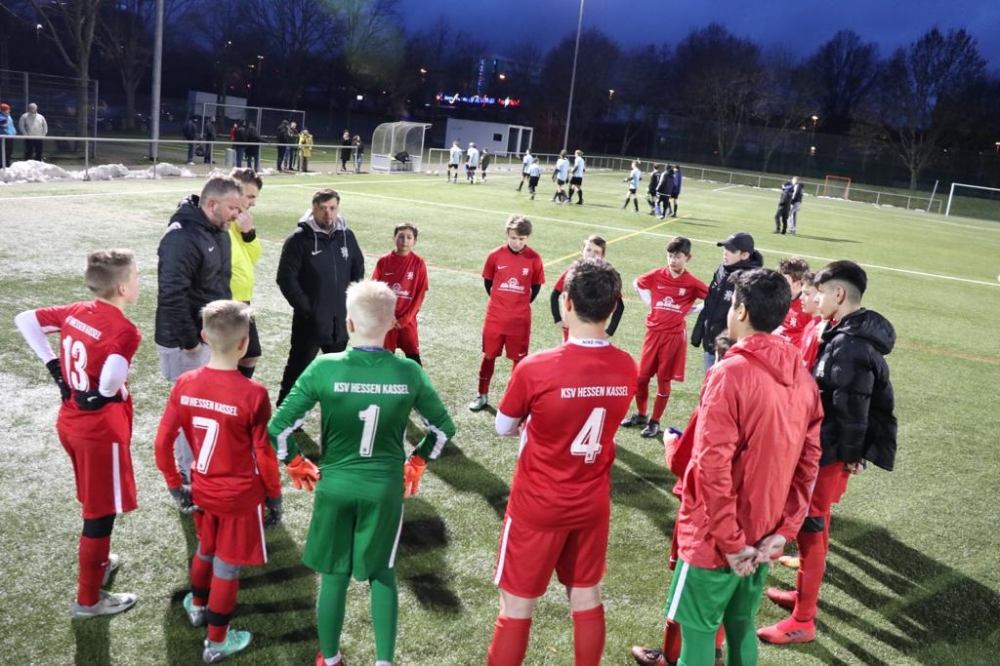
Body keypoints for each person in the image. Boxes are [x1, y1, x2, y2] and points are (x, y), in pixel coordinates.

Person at [268, 279, 456, 666]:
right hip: (384, 490)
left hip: (334, 487)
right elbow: (442, 429)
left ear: (349, 323)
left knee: (333, 576)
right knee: (383, 573)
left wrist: (295, 461)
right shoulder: (408, 371)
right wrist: (417, 462)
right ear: (391, 325)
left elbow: (278, 428)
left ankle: (330, 659)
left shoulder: (324, 367)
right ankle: (384, 661)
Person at [657, 268, 823, 666]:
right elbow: (808, 466)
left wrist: (732, 544)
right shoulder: (804, 380)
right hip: (764, 534)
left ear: (742, 311)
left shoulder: (728, 373)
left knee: (698, 633)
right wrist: (782, 532)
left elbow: (711, 466)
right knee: (741, 625)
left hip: (716, 538)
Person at [486, 258, 638, 666]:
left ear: (566, 301)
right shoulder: (627, 366)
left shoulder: (538, 367)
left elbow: (503, 425)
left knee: (517, 606)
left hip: (538, 503)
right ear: (613, 307)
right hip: (591, 503)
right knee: (586, 595)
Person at [758, 260, 897, 646]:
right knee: (816, 525)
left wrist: (851, 455)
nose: (814, 299)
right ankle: (803, 596)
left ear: (838, 294)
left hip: (829, 450)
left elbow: (853, 407)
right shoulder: (841, 332)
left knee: (810, 528)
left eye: (819, 292)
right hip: (827, 446)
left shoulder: (849, 345)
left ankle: (804, 619)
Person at [14, 249, 141, 619]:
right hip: (98, 431)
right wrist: (104, 393)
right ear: (122, 288)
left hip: (70, 422)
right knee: (100, 513)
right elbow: (112, 377)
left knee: (93, 501)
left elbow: (25, 319)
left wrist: (55, 368)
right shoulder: (125, 330)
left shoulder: (75, 311)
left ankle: (99, 562)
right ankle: (88, 600)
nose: (138, 282)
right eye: (135, 276)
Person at [154, 300, 282, 663]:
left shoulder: (185, 383)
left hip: (201, 488)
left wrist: (174, 484)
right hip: (239, 497)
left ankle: (197, 606)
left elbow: (163, 442)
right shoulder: (253, 393)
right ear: (244, 344)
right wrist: (274, 496)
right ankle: (216, 642)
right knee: (227, 566)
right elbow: (264, 453)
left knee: (205, 549)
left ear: (203, 337)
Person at [630, 333, 734, 666]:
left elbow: (682, 462)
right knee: (730, 598)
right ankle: (716, 651)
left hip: (705, 512)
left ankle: (670, 656)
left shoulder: (715, 402)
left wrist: (670, 442)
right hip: (752, 516)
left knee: (685, 589)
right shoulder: (780, 393)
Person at [155, 175, 244, 487]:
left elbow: (220, 283)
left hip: (210, 337)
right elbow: (171, 294)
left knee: (205, 407)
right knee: (189, 412)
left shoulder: (218, 229)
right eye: (233, 208)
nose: (237, 214)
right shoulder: (181, 237)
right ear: (212, 203)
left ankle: (202, 466)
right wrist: (190, 341)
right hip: (186, 343)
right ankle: (187, 477)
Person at [275, 188, 365, 406]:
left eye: (332, 208)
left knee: (336, 373)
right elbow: (286, 279)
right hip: (310, 322)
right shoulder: (298, 239)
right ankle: (285, 414)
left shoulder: (347, 236)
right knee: (297, 370)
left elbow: (358, 269)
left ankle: (335, 415)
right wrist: (308, 309)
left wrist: (349, 303)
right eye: (323, 208)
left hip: (340, 321)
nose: (328, 213)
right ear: (313, 209)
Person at [620, 237, 708, 439]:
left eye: (677, 256)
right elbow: (637, 283)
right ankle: (641, 414)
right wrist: (651, 303)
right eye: (670, 256)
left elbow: (712, 298)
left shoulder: (692, 283)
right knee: (641, 378)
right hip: (653, 333)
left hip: (673, 337)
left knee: (663, 379)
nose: (673, 260)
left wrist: (693, 309)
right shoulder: (657, 275)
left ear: (688, 258)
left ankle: (655, 421)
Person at [469, 215, 545, 412]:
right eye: (513, 238)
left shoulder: (534, 259)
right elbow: (488, 282)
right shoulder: (495, 255)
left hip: (520, 320)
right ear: (507, 235)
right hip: (495, 317)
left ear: (527, 238)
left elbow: (536, 286)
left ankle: (513, 400)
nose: (517, 242)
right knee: (488, 355)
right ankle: (482, 394)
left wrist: (519, 304)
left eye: (521, 239)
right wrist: (500, 302)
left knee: (518, 361)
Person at [691, 232, 764, 373]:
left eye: (731, 250)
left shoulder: (750, 280)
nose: (725, 252)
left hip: (732, 350)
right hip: (711, 344)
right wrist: (699, 330)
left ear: (745, 255)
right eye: (725, 248)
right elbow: (710, 301)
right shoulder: (722, 269)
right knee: (710, 382)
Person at [372, 223, 429, 365]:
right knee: (382, 361)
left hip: (407, 322)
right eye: (401, 237)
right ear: (394, 239)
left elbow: (420, 295)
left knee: (414, 361)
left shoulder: (419, 263)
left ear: (415, 241)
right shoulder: (384, 261)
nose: (404, 241)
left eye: (409, 237)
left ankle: (416, 381)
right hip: (386, 322)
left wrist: (405, 319)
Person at [550, 235, 625, 342]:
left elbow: (620, 306)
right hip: (571, 332)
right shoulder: (572, 272)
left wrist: (610, 330)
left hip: (594, 332)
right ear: (582, 250)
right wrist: (557, 319)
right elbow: (555, 294)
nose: (591, 254)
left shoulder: (605, 277)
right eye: (588, 250)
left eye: (596, 252)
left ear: (603, 256)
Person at [228, 168, 264, 378]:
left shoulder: (240, 222)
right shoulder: (221, 223)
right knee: (227, 357)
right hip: (225, 303)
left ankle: (235, 392)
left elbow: (253, 257)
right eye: (250, 196)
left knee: (250, 353)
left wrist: (249, 233)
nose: (254, 203)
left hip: (243, 301)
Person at [772, 257, 811, 349]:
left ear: (797, 284)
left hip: (789, 355)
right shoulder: (775, 299)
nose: (778, 284)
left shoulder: (807, 308)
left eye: (783, 281)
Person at [796, 271, 823, 370]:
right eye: (802, 293)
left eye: (807, 294)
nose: (801, 298)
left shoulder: (820, 329)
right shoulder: (811, 324)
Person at [0, 102, 15, 167]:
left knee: (9, 150)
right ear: (4, 110)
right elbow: (4, 125)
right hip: (5, 136)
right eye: (8, 109)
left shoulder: (8, 116)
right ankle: (3, 164)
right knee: (5, 150)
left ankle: (7, 162)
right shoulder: (1, 117)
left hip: (10, 136)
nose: (9, 110)